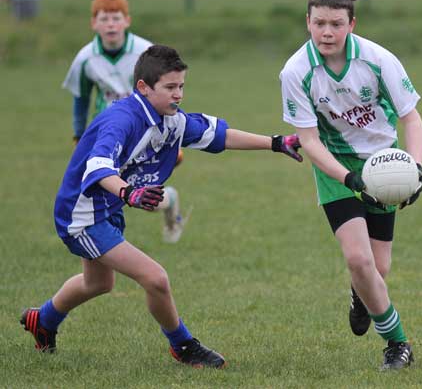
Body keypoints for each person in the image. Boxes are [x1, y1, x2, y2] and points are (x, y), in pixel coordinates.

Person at [20, 44, 303, 368]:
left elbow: (220, 136)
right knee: (155, 278)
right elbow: (98, 168)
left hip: (108, 207)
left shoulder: (171, 120)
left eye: (181, 86)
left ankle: (41, 321)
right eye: (170, 87)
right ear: (143, 87)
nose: (179, 94)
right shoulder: (121, 120)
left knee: (99, 283)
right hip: (82, 215)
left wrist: (276, 143)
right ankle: (183, 346)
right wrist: (129, 193)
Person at [279, 0, 422, 371]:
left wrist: (416, 167)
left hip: (383, 164)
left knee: (379, 270)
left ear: (351, 24)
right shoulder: (296, 71)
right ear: (307, 22)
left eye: (336, 24)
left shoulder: (379, 60)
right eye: (319, 23)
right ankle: (398, 346)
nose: (327, 32)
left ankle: (361, 295)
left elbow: (411, 117)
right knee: (359, 259)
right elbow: (308, 140)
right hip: (334, 167)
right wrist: (348, 178)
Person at [62, 0, 186, 244]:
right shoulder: (85, 58)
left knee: (135, 195)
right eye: (104, 19)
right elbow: (81, 99)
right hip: (108, 135)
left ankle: (167, 201)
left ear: (127, 21)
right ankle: (105, 244)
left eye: (116, 18)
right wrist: (78, 134)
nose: (110, 24)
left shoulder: (144, 51)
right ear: (93, 23)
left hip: (143, 132)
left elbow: (170, 92)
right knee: (113, 190)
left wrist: (174, 136)